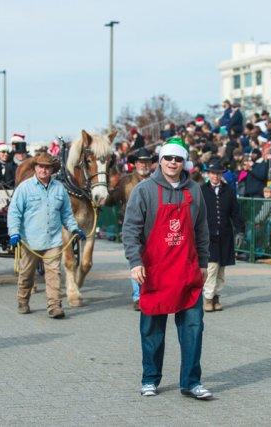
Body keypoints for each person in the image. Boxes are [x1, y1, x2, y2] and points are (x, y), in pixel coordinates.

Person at [122, 137, 212, 400]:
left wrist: (204, 263)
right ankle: (150, 378)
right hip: (154, 271)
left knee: (194, 327)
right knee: (152, 329)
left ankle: (191, 382)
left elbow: (202, 230)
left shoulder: (194, 190)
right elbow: (130, 230)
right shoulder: (144, 190)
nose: (173, 163)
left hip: (187, 271)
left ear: (185, 162)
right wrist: (135, 261)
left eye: (178, 159)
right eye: (168, 158)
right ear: (160, 161)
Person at [7, 152, 85, 319]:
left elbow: (66, 213)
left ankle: (54, 306)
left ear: (52, 170)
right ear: (35, 168)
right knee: (27, 274)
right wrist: (14, 232)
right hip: (30, 241)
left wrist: (74, 228)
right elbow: (14, 212)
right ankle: (22, 299)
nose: (43, 170)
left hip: (53, 241)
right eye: (40, 166)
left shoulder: (59, 188)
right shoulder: (24, 188)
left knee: (54, 274)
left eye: (47, 167)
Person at [105, 147, 154, 310]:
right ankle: (138, 297)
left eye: (147, 162)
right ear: (135, 164)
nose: (144, 165)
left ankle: (153, 292)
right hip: (132, 227)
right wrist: (106, 193)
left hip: (154, 227)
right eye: (141, 162)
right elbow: (111, 200)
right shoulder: (125, 181)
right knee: (136, 259)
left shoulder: (158, 180)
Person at [201, 159, 244, 312]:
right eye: (213, 173)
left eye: (218, 174)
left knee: (221, 270)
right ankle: (208, 297)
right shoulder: (202, 190)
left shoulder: (229, 190)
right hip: (208, 236)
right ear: (208, 174)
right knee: (211, 267)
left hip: (225, 235)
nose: (215, 176)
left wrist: (240, 230)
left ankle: (216, 296)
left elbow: (235, 213)